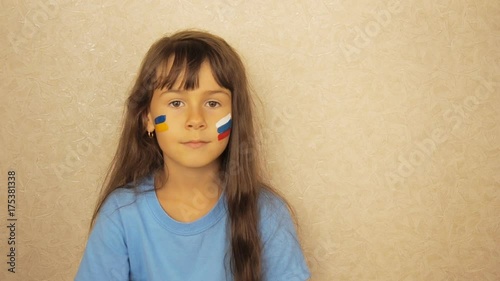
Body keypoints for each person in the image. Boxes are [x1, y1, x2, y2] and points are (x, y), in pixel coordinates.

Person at [75, 30, 310, 281]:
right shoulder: (121, 214)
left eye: (212, 103)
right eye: (176, 103)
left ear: (236, 116)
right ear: (148, 118)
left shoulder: (267, 212)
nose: (195, 120)